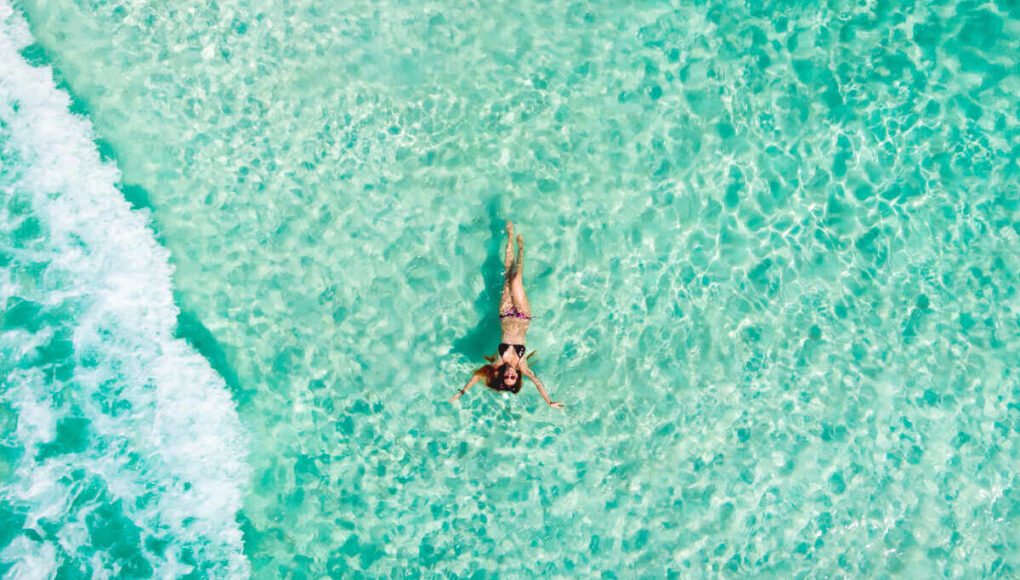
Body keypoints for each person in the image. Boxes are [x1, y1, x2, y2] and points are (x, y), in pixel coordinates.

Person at [450, 221, 564, 408]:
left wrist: (463, 391)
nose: (510, 374)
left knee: (508, 275)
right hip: (523, 315)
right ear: (517, 376)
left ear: (502, 374)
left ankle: (510, 237)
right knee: (517, 279)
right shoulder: (523, 366)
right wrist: (548, 401)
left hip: (505, 313)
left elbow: (479, 375)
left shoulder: (497, 362)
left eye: (507, 376)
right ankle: (521, 249)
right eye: (513, 377)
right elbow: (537, 382)